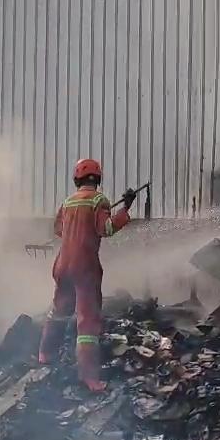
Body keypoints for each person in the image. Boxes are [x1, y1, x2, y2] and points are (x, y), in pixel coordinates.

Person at [37, 158, 137, 392]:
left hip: (62, 265)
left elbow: (59, 230)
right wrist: (126, 208)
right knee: (88, 323)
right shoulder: (99, 200)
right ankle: (89, 377)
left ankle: (44, 353)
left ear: (76, 179)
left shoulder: (68, 202)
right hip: (85, 267)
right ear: (98, 179)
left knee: (59, 310)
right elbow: (107, 229)